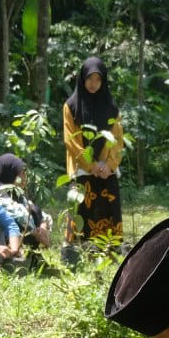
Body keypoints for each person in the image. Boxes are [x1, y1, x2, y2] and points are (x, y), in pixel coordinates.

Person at [62, 56, 124, 252]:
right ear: (82, 78)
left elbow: (117, 140)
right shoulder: (71, 106)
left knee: (108, 205)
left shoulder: (112, 107)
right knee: (80, 207)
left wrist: (109, 165)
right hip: (82, 167)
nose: (93, 84)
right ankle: (77, 247)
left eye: (98, 80)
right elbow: (70, 140)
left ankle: (110, 246)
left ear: (103, 81)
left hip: (106, 167)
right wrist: (91, 165)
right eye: (90, 79)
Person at [0, 153, 52, 251]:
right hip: (4, 246)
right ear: (10, 173)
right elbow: (20, 215)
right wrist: (36, 231)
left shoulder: (15, 193)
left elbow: (43, 214)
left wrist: (43, 224)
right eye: (21, 174)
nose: (24, 178)